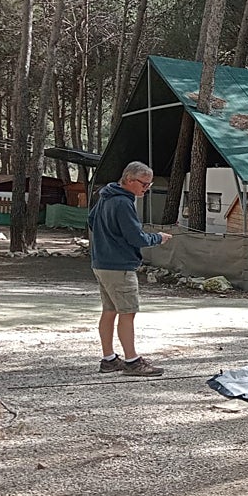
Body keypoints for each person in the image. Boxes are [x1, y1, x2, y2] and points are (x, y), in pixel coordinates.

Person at [87, 161, 172, 376]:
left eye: (149, 184)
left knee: (109, 311)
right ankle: (132, 361)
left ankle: (109, 359)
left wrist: (108, 238)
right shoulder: (123, 202)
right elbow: (136, 237)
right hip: (119, 267)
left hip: (101, 263)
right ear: (128, 179)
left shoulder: (106, 196)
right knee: (127, 312)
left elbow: (91, 220)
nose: (146, 188)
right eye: (144, 184)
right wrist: (158, 238)